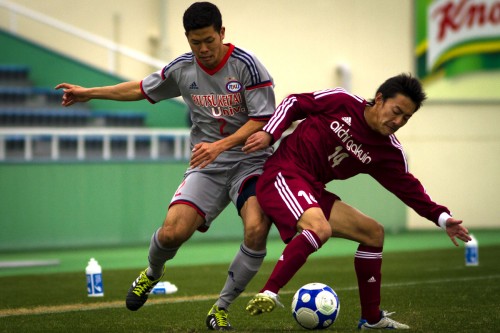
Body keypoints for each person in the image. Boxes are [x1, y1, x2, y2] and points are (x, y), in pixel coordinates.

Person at [56, 2, 276, 331]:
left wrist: (220, 145)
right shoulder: (183, 69)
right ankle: (152, 274)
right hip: (208, 165)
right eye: (194, 42)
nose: (203, 49)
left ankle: (221, 308)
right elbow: (140, 89)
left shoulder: (247, 65)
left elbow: (263, 119)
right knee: (173, 232)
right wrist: (90, 92)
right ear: (186, 39)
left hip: (251, 162)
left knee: (257, 229)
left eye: (209, 41)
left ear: (222, 33)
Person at [241, 73, 471, 330]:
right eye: (396, 111)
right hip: (283, 173)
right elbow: (294, 102)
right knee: (319, 228)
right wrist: (270, 134)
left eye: (406, 118)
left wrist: (442, 217)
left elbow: (409, 189)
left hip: (313, 189)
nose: (398, 121)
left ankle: (371, 319)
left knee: (373, 233)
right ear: (380, 99)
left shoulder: (388, 151)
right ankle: (269, 291)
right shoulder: (342, 101)